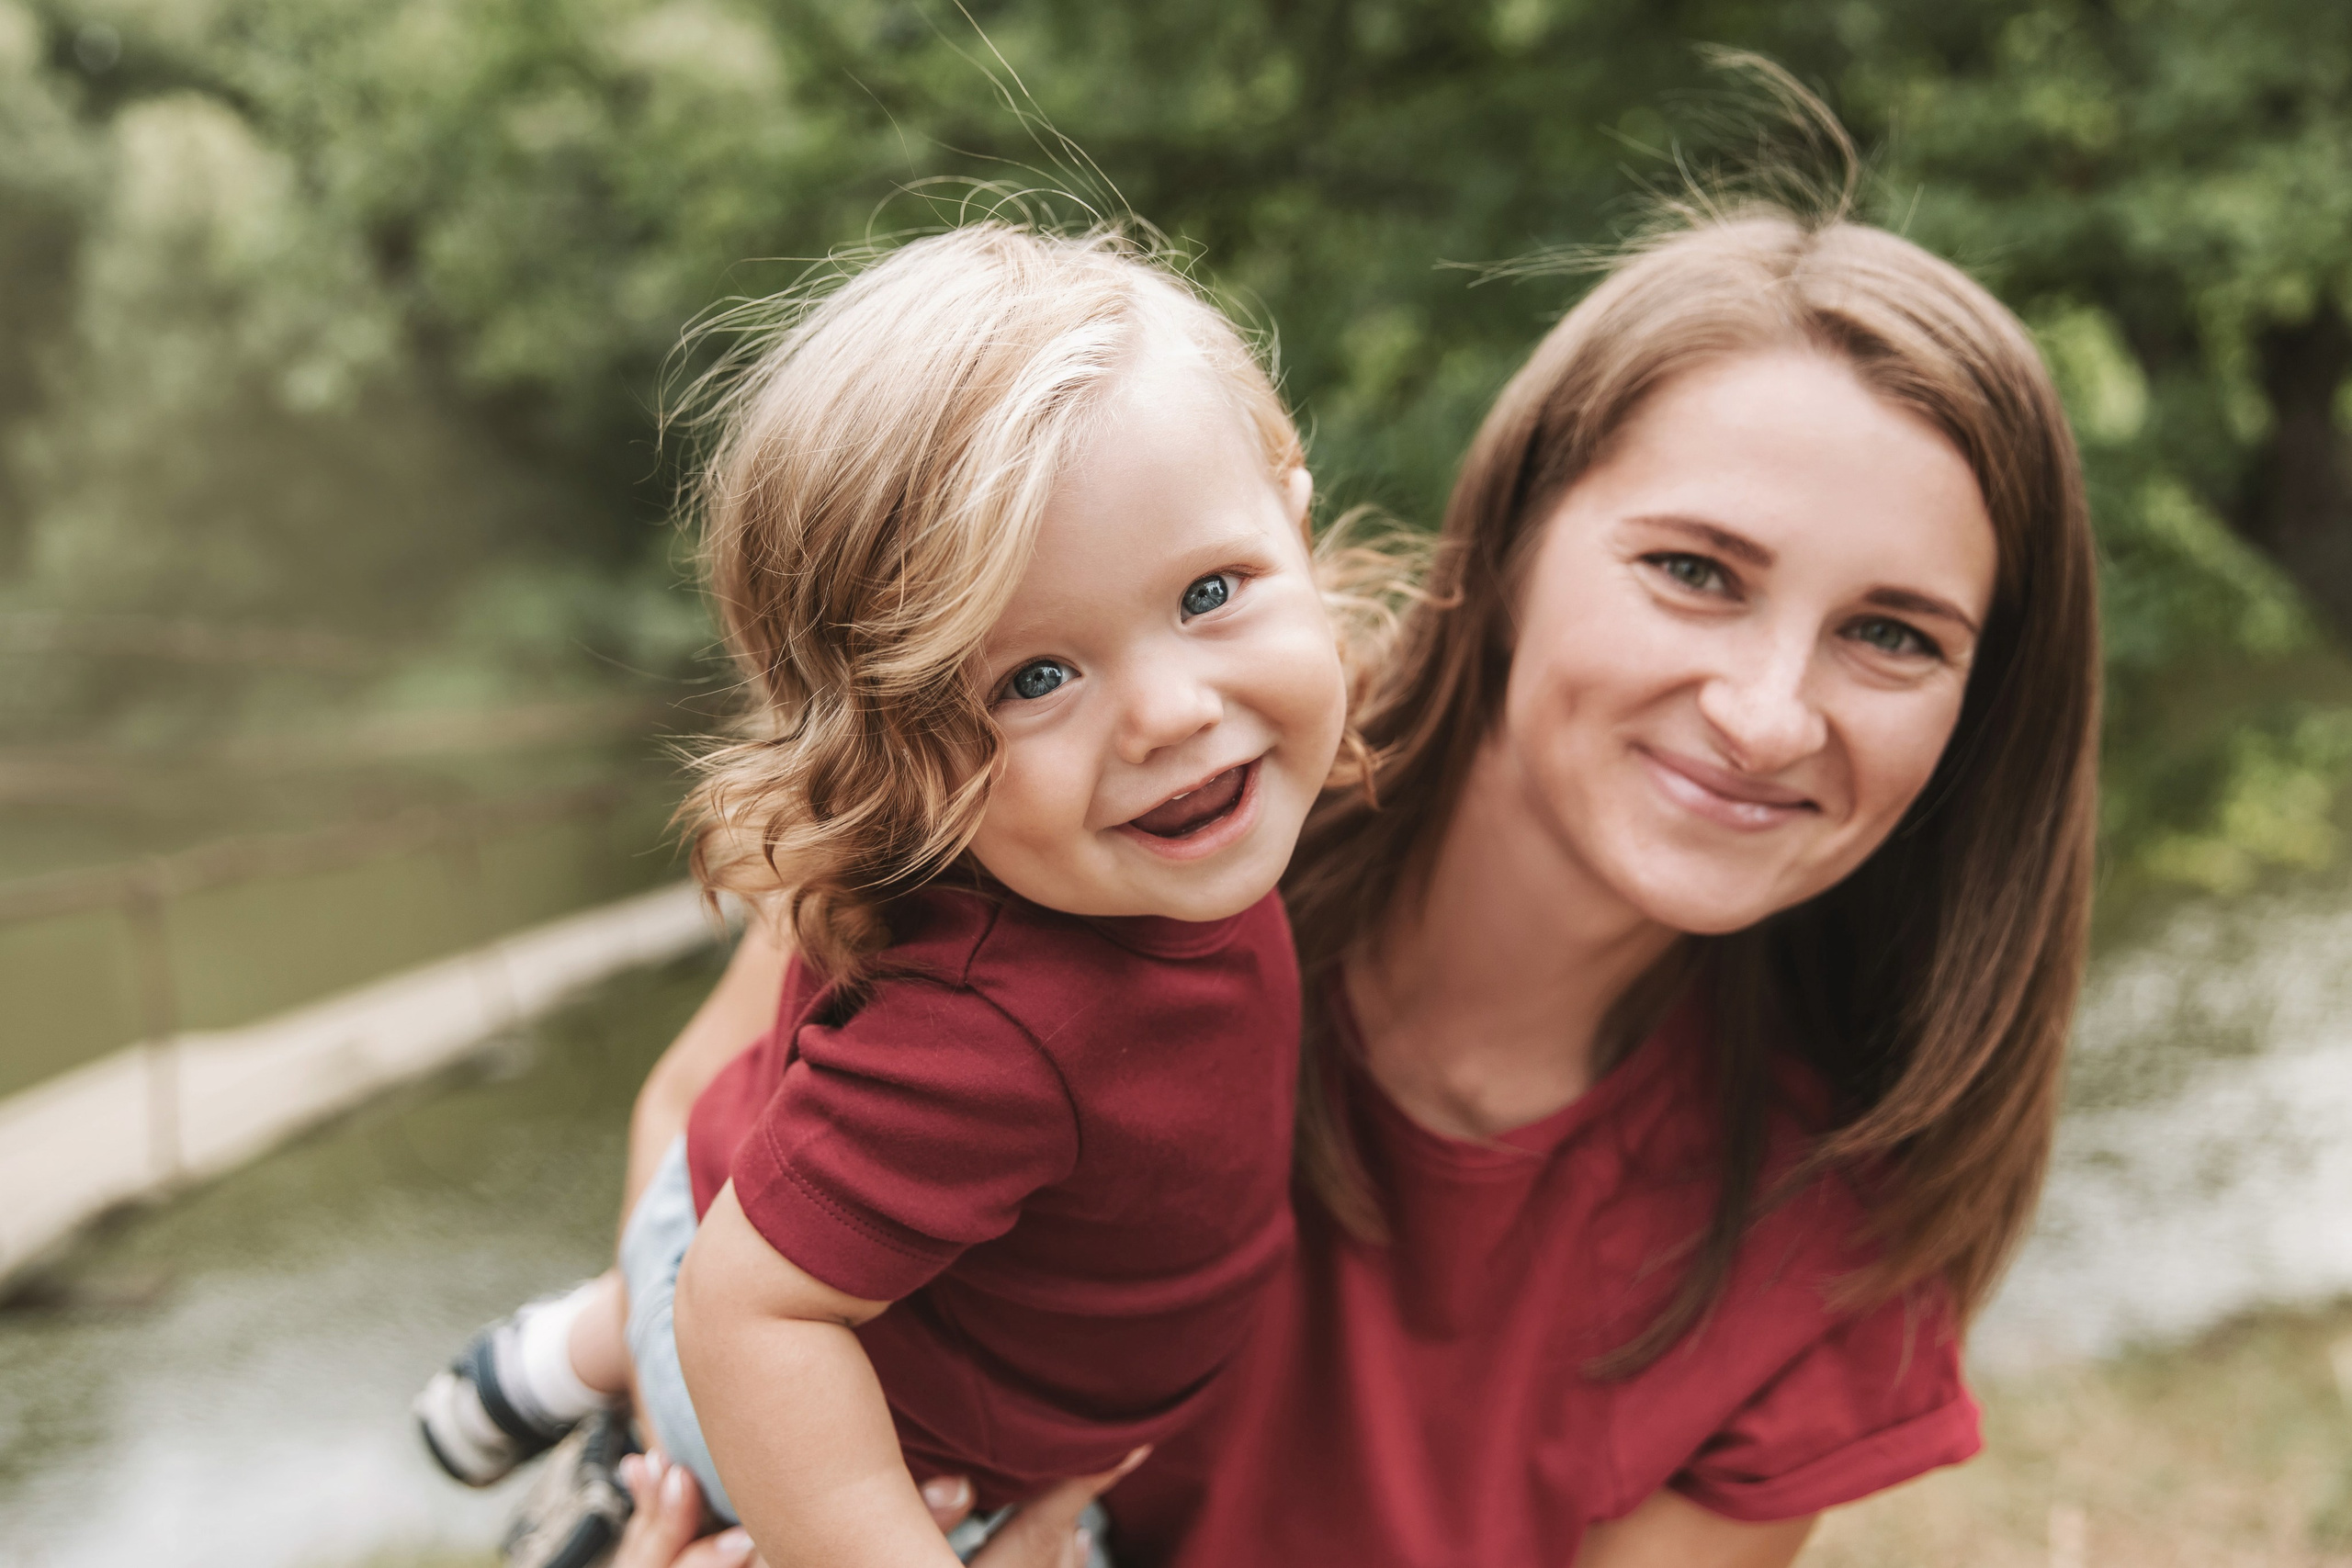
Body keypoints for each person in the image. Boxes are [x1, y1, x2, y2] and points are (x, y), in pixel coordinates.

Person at [611, 177, 2100, 1567]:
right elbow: (712, 1122)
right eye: (1694, 571)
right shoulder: (1107, 818)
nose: (1769, 713)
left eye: (1896, 635)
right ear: (1512, 542)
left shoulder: (1840, 1247)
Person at [413, 223, 1382, 1568]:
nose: (1171, 712)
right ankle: (604, 1374)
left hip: (811, 1256)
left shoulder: (1201, 813)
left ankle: (570, 1346)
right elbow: (751, 1319)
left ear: (1297, 518)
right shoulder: (995, 1028)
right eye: (1036, 678)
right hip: (812, 1410)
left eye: (1209, 592)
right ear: (892, 747)